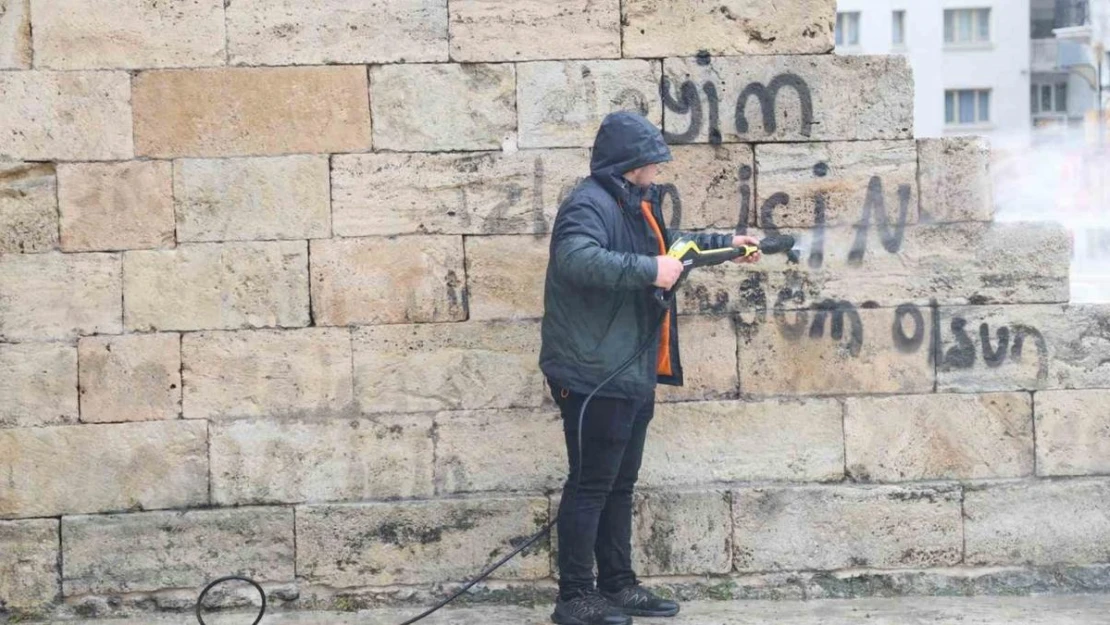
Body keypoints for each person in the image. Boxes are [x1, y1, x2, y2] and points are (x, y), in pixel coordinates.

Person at [539, 110, 761, 625]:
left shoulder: (638, 204)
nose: (658, 172)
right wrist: (648, 270)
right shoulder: (587, 204)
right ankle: (574, 597)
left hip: (629, 368)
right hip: (593, 371)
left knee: (620, 482)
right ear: (629, 164)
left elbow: (672, 250)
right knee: (591, 483)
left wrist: (728, 246)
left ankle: (617, 585)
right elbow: (576, 258)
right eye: (652, 163)